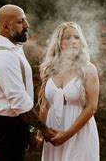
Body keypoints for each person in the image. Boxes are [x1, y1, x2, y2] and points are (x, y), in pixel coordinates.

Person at [0, 4, 55, 161]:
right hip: (7, 128)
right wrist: (43, 129)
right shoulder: (4, 56)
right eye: (20, 21)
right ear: (5, 27)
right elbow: (19, 101)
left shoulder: (12, 48)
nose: (27, 25)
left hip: (13, 126)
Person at [38, 22, 100, 161]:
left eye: (76, 37)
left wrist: (66, 134)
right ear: (59, 43)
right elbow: (45, 104)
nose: (73, 41)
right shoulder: (48, 69)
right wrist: (40, 131)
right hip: (52, 130)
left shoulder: (89, 70)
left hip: (79, 132)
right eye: (67, 38)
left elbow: (92, 107)